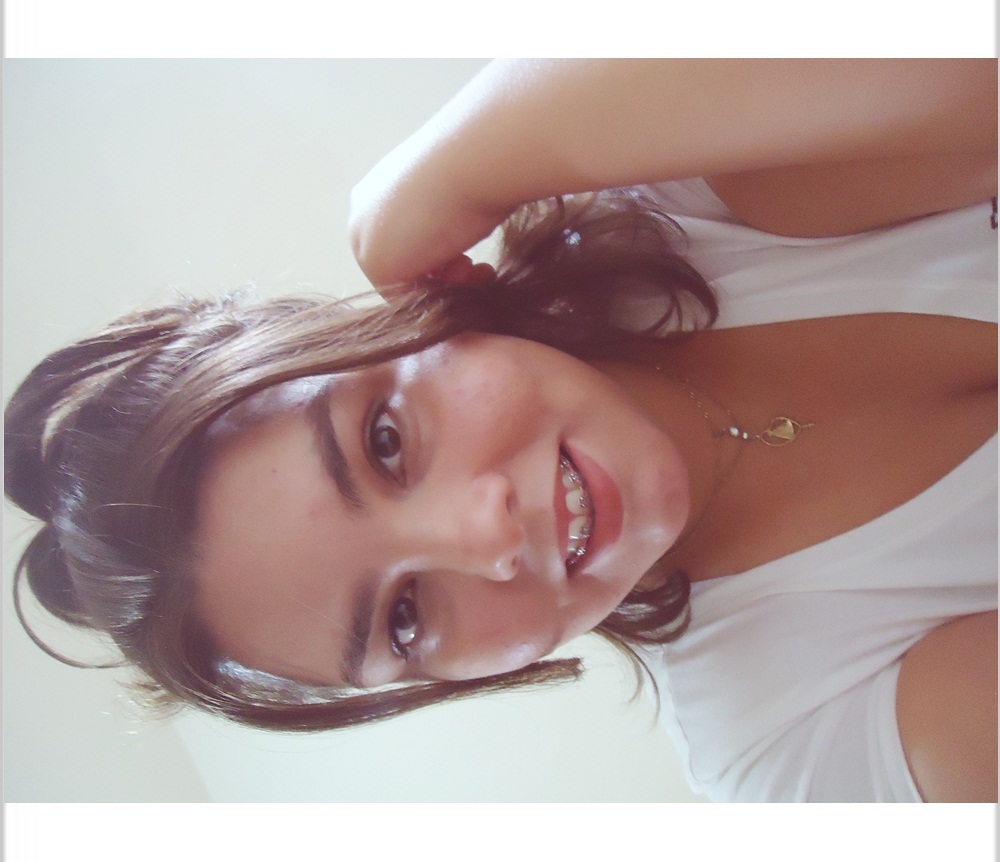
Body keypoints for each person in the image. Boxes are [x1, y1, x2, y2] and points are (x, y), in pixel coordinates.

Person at [4, 60, 996, 802]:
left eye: (385, 444)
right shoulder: (795, 742)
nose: (486, 535)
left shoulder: (687, 184)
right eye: (403, 619)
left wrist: (449, 171)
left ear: (397, 327)